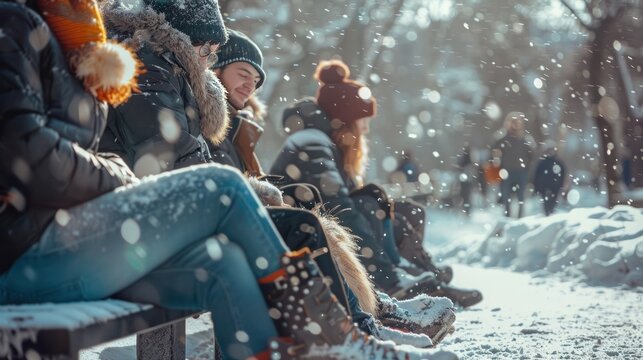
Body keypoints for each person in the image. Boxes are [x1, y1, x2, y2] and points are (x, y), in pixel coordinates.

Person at [0, 2, 456, 360]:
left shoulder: (77, 37)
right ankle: (333, 338)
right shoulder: (19, 23)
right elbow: (30, 156)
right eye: (229, 65)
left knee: (224, 264)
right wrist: (117, 175)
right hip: (22, 251)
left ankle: (334, 338)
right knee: (225, 188)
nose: (243, 83)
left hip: (64, 237)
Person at [210, 30, 456, 346]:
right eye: (243, 74)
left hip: (254, 221)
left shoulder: (237, 125)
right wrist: (386, 271)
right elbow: (341, 204)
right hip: (243, 228)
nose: (250, 84)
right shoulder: (306, 141)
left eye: (256, 80)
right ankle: (369, 318)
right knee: (320, 225)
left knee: (370, 207)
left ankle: (384, 305)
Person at [270, 59, 482, 308]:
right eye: (363, 120)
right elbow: (342, 208)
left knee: (406, 211)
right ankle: (397, 283)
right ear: (346, 120)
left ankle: (425, 277)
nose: (366, 128)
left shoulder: (327, 143)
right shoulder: (312, 142)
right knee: (369, 204)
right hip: (303, 234)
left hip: (320, 226)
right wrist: (386, 274)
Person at [492, 112, 534, 218]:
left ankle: (519, 219)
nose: (515, 125)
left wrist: (528, 169)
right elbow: (494, 153)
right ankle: (507, 218)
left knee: (521, 198)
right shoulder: (502, 138)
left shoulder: (525, 140)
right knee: (506, 197)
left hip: (521, 172)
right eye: (513, 122)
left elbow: (531, 155)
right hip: (506, 172)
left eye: (517, 122)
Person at [533, 144, 567, 216]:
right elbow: (537, 174)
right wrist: (536, 186)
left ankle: (550, 215)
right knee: (545, 203)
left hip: (555, 186)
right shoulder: (542, 162)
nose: (550, 152)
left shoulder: (558, 162)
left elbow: (563, 174)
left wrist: (561, 185)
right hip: (544, 187)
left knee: (553, 203)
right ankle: (547, 215)